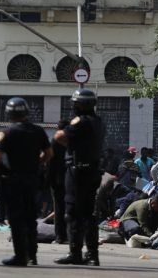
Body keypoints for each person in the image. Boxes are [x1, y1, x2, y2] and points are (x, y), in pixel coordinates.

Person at [0, 97, 52, 266]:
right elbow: (48, 154)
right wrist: (36, 162)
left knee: (16, 218)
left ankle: (20, 256)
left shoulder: (7, 132)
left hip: (13, 180)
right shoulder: (38, 131)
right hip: (32, 179)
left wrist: (3, 168)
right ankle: (32, 255)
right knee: (30, 217)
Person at [53, 89, 105, 266]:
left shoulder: (80, 122)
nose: (74, 106)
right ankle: (92, 254)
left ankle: (75, 253)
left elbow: (59, 136)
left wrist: (71, 143)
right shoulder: (98, 121)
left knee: (72, 213)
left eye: (76, 103)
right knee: (89, 214)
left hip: (78, 172)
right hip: (92, 171)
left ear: (83, 105)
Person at [46, 119, 70, 244]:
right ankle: (65, 235)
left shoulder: (54, 141)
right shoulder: (69, 141)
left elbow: (50, 162)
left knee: (59, 207)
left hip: (58, 180)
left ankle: (61, 236)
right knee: (66, 207)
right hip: (67, 179)